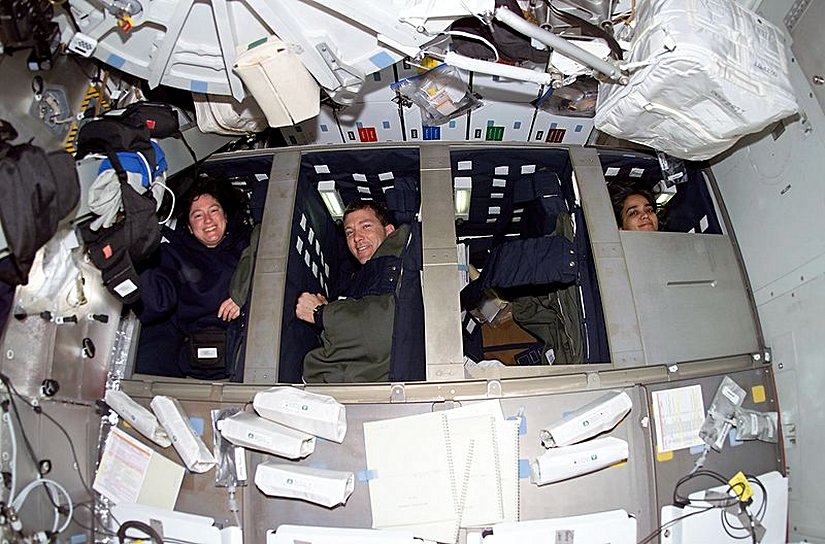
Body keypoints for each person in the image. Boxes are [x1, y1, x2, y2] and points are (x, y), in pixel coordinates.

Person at [135, 177, 256, 380]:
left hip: (244, 354)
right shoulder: (174, 254)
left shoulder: (248, 244)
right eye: (197, 215)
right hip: (189, 361)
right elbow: (154, 304)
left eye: (214, 210)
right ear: (189, 227)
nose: (208, 221)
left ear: (225, 215)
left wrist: (242, 295)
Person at [295, 200, 410, 383]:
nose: (357, 237)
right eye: (349, 232)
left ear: (389, 231)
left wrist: (320, 313)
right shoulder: (359, 278)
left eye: (366, 226)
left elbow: (383, 330)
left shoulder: (394, 260)